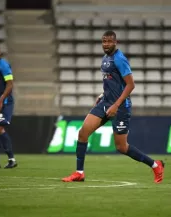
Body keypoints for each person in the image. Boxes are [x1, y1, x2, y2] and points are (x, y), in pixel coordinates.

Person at [62, 31, 165, 183]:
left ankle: (155, 165)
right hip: (106, 103)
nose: (106, 44)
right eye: (104, 41)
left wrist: (116, 105)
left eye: (109, 41)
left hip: (121, 106)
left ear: (115, 42)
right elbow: (113, 82)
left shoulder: (119, 59)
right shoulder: (105, 59)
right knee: (83, 133)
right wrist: (103, 95)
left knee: (122, 147)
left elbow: (131, 85)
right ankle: (79, 173)